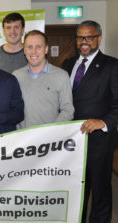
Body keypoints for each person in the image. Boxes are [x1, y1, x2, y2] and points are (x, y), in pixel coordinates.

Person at [62, 20, 118, 223]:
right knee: (77, 188)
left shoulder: (112, 66)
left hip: (99, 142)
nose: (84, 41)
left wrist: (103, 122)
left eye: (89, 37)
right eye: (80, 37)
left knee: (101, 192)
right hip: (72, 142)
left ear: (99, 39)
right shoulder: (68, 64)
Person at [13, 30, 74, 129]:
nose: (33, 51)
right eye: (29, 47)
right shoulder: (16, 76)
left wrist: (51, 130)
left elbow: (68, 110)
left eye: (38, 47)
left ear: (46, 49)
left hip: (49, 140)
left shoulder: (61, 76)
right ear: (24, 50)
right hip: (23, 140)